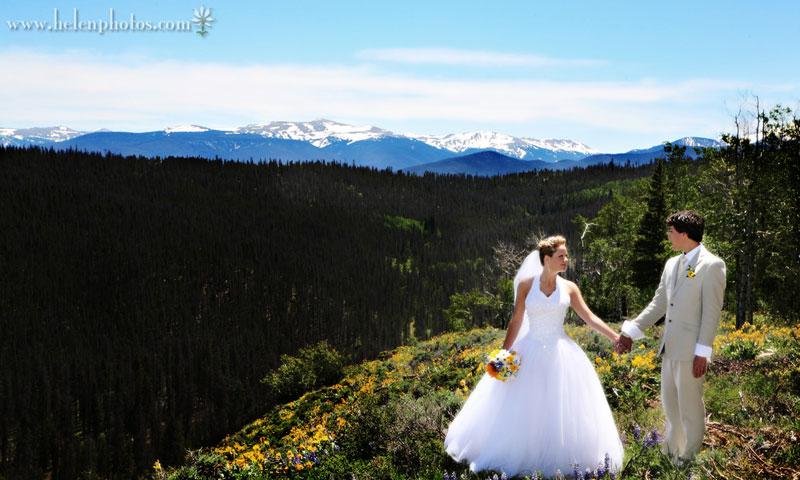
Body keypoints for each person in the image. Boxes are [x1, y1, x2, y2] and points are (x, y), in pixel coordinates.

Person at [444, 235, 624, 478]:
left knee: (560, 406)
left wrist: (615, 337)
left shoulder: (570, 288)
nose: (566, 260)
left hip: (562, 354)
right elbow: (516, 320)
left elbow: (589, 318)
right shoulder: (526, 285)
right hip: (529, 351)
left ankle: (561, 456)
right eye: (561, 256)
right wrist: (503, 354)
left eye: (566, 256)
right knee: (526, 405)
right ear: (547, 259)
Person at [615, 210, 726, 464]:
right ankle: (672, 454)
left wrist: (703, 352)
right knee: (671, 407)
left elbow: (711, 314)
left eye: (671, 231)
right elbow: (659, 304)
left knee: (690, 408)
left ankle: (689, 458)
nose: (668, 235)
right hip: (669, 348)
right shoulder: (671, 264)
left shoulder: (712, 265)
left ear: (684, 235)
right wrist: (630, 331)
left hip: (691, 352)